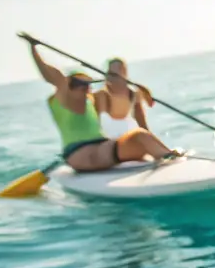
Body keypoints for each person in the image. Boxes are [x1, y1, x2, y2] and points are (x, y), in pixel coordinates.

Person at [23, 35, 175, 172]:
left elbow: (117, 91)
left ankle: (170, 158)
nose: (83, 87)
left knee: (142, 136)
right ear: (68, 86)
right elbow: (54, 76)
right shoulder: (61, 99)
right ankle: (167, 161)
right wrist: (34, 50)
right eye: (77, 83)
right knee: (138, 139)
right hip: (80, 152)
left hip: (102, 148)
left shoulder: (91, 100)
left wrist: (140, 91)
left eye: (87, 84)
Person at [96, 57, 155, 138]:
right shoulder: (101, 95)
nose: (111, 78)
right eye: (110, 73)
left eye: (115, 74)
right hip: (106, 142)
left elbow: (143, 125)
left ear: (124, 74)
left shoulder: (133, 94)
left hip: (128, 139)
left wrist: (150, 139)